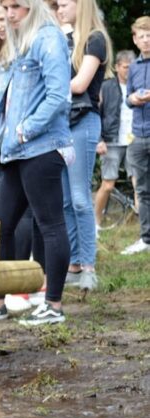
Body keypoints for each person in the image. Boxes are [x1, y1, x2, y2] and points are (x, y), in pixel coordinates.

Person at [0, 0, 72, 325]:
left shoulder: (49, 38)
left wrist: (25, 129)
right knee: (0, 225)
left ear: (33, 6)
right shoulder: (17, 42)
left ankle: (54, 305)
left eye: (16, 6)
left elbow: (58, 95)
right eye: (5, 6)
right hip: (15, 149)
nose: (9, 13)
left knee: (50, 224)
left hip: (41, 147)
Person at [56, 0, 112, 291]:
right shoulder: (63, 39)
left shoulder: (95, 39)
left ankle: (88, 266)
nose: (59, 8)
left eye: (64, 4)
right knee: (65, 200)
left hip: (83, 120)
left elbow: (79, 84)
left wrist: (48, 88)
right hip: (61, 124)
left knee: (79, 197)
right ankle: (74, 262)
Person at [95, 50, 136, 227]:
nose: (129, 70)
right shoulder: (106, 87)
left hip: (135, 142)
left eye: (132, 67)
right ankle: (95, 222)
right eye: (126, 67)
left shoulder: (141, 85)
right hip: (111, 141)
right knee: (108, 184)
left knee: (139, 184)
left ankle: (144, 231)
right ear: (117, 67)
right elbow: (95, 113)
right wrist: (98, 139)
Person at [121, 16, 150, 256]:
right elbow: (128, 97)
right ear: (135, 39)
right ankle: (146, 238)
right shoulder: (134, 68)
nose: (146, 40)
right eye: (142, 36)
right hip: (138, 135)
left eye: (149, 35)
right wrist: (132, 99)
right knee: (141, 189)